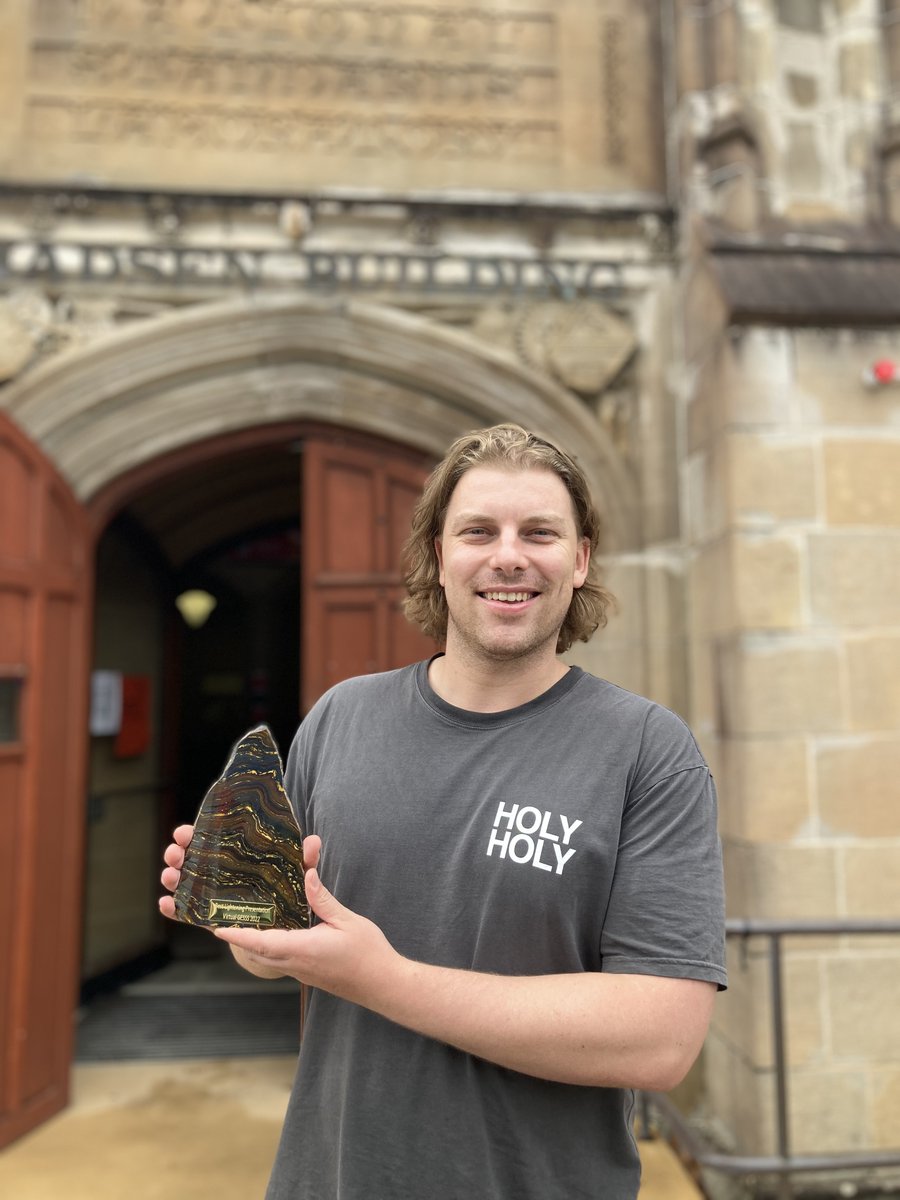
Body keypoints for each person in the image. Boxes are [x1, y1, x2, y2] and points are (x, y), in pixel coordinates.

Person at [160, 423, 726, 1200]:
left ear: (581, 559)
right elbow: (278, 951)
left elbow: (660, 1039)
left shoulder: (646, 751)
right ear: (437, 554)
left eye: (540, 533)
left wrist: (383, 978)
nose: (508, 556)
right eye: (478, 531)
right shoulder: (341, 717)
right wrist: (249, 920)